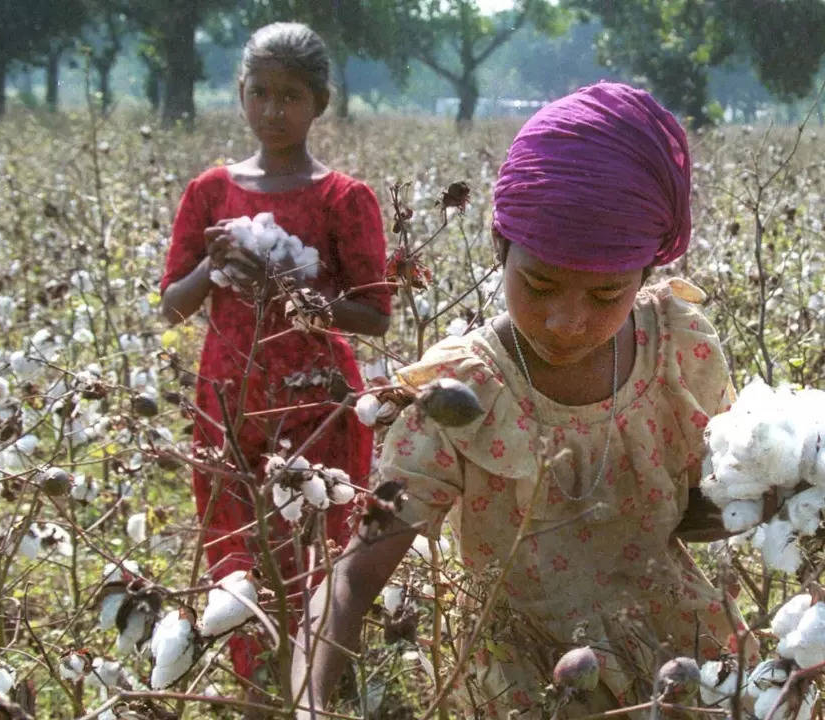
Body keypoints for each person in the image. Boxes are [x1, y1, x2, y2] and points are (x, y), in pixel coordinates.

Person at [293, 82, 741, 718]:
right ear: (500, 248)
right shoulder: (461, 392)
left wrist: (782, 495)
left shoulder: (677, 347)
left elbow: (707, 505)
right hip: (524, 681)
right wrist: (308, 701)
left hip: (677, 657)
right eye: (538, 283)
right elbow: (356, 573)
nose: (566, 320)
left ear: (646, 275)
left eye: (606, 296)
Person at [158, 21, 391, 693]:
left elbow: (374, 315)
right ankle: (255, 686)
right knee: (236, 555)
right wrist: (213, 268)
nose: (273, 111)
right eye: (259, 93)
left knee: (317, 548)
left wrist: (281, 289)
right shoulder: (210, 192)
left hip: (317, 406)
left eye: (290, 96)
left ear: (320, 102)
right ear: (239, 94)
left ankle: (316, 685)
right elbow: (172, 304)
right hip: (227, 401)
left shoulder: (344, 198)